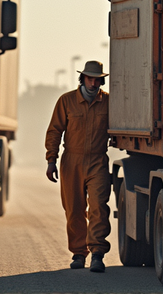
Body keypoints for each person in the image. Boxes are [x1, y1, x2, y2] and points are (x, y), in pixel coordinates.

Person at [45, 60, 111, 272]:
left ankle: (98, 253)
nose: (93, 83)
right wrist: (51, 160)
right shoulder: (66, 101)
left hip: (98, 161)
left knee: (99, 207)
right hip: (71, 161)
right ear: (82, 79)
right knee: (74, 209)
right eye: (89, 78)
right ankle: (78, 253)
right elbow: (55, 131)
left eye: (97, 79)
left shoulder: (109, 102)